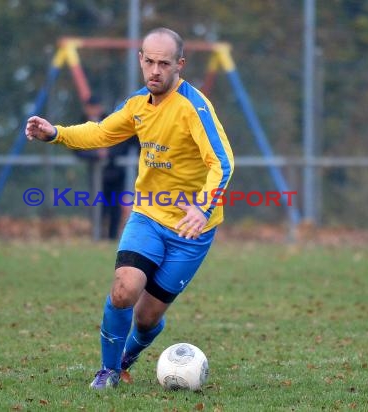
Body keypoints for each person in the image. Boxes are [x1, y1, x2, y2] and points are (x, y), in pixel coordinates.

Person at [25, 27, 234, 390]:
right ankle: (107, 371)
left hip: (191, 231)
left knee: (148, 317)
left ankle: (126, 358)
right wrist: (56, 133)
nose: (155, 70)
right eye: (149, 61)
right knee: (124, 289)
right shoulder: (138, 104)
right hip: (148, 217)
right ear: (140, 60)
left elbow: (223, 162)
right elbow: (102, 132)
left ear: (179, 65)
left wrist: (201, 208)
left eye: (164, 63)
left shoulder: (194, 108)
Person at [74, 95, 137, 239]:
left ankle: (112, 237)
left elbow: (124, 142)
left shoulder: (111, 120)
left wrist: (109, 153)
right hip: (97, 175)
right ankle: (98, 236)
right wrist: (95, 155)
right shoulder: (81, 123)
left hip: (115, 173)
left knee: (115, 207)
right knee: (98, 206)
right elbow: (76, 148)